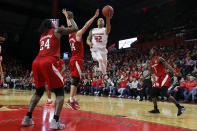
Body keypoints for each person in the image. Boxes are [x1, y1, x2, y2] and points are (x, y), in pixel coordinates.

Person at [22, 9, 78, 130]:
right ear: (51, 25)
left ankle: (27, 118)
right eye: (53, 24)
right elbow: (74, 28)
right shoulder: (56, 30)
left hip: (36, 62)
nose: (55, 25)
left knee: (38, 91)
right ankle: (55, 121)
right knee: (59, 93)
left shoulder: (42, 36)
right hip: (48, 61)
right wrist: (70, 17)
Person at [63, 9, 99, 110]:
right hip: (77, 59)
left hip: (73, 59)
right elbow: (86, 26)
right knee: (76, 80)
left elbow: (70, 25)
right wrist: (94, 17)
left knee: (75, 79)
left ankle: (73, 98)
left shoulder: (70, 35)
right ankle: (70, 100)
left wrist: (67, 16)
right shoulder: (77, 34)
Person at [144, 47, 185, 116]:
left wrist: (175, 73)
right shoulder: (150, 62)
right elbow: (151, 71)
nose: (151, 51)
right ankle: (156, 109)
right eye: (150, 50)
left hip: (164, 76)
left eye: (152, 50)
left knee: (164, 93)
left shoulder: (159, 58)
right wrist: (144, 77)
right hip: (158, 78)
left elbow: (168, 65)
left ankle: (180, 107)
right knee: (152, 93)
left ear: (155, 52)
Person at [86, 11, 112, 79]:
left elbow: (108, 26)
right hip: (95, 49)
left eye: (102, 20)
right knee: (99, 59)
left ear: (103, 23)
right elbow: (88, 39)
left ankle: (97, 69)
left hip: (103, 51)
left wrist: (108, 18)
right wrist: (89, 43)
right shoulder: (93, 30)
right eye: (99, 20)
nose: (100, 20)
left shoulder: (105, 30)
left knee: (103, 67)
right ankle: (105, 76)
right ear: (97, 22)